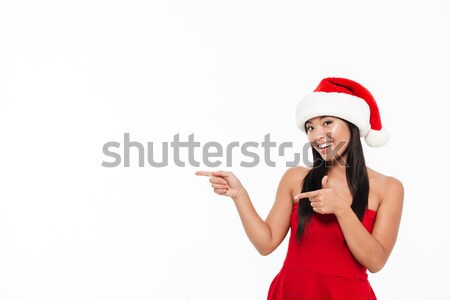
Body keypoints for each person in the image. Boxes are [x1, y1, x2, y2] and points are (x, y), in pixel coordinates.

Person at [195, 77, 404, 299]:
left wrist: (341, 209)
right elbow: (266, 244)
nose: (317, 135)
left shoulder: (388, 188)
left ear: (352, 124)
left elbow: (376, 261)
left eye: (327, 123)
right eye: (310, 127)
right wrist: (239, 195)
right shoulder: (296, 178)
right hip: (293, 291)